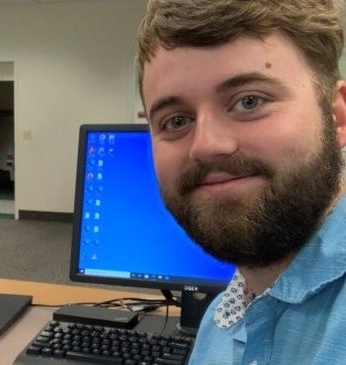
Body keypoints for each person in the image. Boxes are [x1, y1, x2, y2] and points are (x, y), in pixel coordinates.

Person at [137, 0, 346, 363]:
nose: (205, 146)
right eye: (176, 121)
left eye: (249, 101)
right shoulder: (220, 322)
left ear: (338, 117)